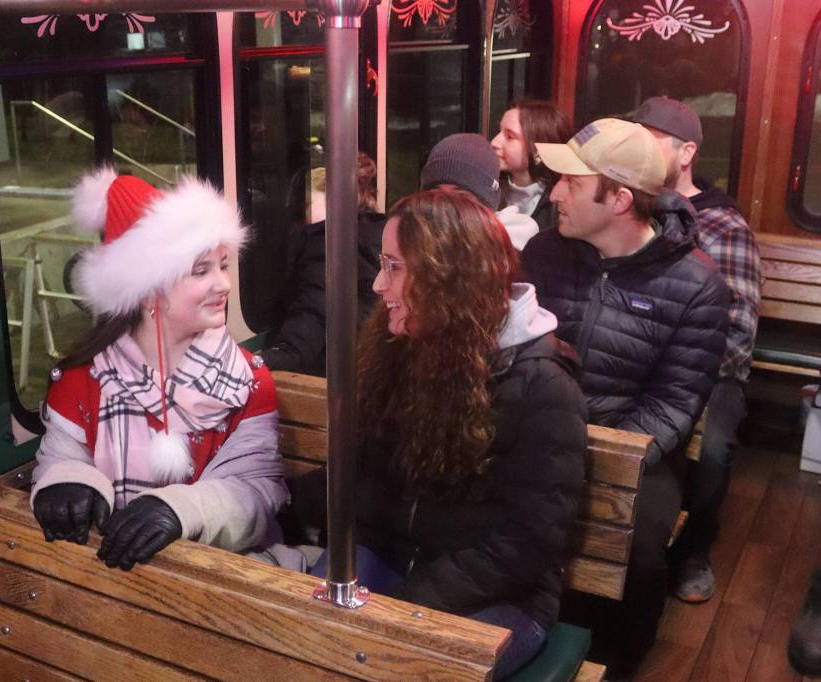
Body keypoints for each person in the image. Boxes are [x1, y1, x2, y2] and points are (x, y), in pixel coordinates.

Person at [289, 187, 589, 679]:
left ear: (446, 278)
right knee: (308, 641)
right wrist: (277, 502)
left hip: (500, 594)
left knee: (398, 667)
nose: (377, 286)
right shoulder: (403, 348)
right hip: (396, 556)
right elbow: (369, 471)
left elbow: (527, 544)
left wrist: (412, 607)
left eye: (394, 267)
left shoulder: (541, 385)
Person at [521, 118, 730, 677]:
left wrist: (602, 453)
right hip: (538, 428)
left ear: (618, 199)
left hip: (628, 447)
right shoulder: (543, 253)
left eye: (570, 181)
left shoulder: (697, 285)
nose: (555, 192)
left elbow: (674, 403)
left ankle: (619, 658)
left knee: (636, 548)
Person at [30, 168, 301, 572]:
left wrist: (181, 510)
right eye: (201, 270)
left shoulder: (246, 383)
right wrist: (67, 481)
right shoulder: (82, 380)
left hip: (222, 574)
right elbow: (61, 457)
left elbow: (255, 492)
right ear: (148, 291)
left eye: (223, 265)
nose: (224, 284)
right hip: (114, 575)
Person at [634, 96, 762, 604]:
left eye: (651, 140)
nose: (639, 150)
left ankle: (694, 547)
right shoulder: (631, 207)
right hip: (641, 356)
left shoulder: (723, 228)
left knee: (711, 443)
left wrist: (677, 371)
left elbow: (737, 331)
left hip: (707, 370)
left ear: (686, 152)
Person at [262, 152, 385, 376]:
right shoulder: (376, 239)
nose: (303, 216)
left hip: (331, 377)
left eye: (308, 204)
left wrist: (269, 358)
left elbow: (313, 313)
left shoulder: (326, 246)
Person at [419, 132, 540, 250]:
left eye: (461, 196)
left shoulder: (512, 249)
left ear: (488, 204)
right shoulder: (411, 241)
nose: (445, 205)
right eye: (435, 194)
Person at [491, 100, 573, 232]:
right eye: (499, 132)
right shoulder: (488, 188)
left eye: (510, 136)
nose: (494, 142)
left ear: (538, 149)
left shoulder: (558, 204)